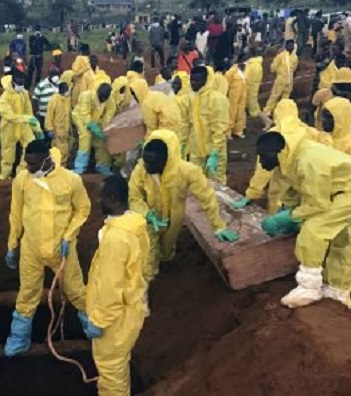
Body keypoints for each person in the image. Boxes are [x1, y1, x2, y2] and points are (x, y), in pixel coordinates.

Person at [256, 128, 351, 309]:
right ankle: (337, 292)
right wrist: (287, 209)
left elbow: (317, 204)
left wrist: (290, 218)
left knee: (315, 228)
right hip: (343, 188)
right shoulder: (289, 160)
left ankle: (309, 287)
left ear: (277, 152)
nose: (261, 162)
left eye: (263, 156)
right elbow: (294, 190)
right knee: (343, 237)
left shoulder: (308, 161)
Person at [4, 140, 97, 357]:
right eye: (27, 163)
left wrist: (69, 236)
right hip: (31, 250)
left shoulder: (70, 180)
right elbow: (15, 214)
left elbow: (83, 209)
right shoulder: (22, 180)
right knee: (27, 293)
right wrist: (12, 245)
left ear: (46, 159)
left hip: (61, 250)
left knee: (75, 290)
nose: (29, 168)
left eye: (33, 164)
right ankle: (19, 338)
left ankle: (92, 327)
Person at [129, 130, 238, 281]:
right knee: (148, 252)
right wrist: (147, 214)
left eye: (152, 163)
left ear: (166, 160)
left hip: (174, 219)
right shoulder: (140, 171)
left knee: (167, 250)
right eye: (145, 160)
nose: (147, 166)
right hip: (148, 219)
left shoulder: (187, 171)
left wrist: (218, 225)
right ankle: (146, 284)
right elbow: (134, 197)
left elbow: (207, 197)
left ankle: (166, 264)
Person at [87, 175, 149, 395]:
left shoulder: (116, 240)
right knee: (119, 364)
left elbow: (110, 286)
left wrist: (98, 319)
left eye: (101, 197)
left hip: (116, 316)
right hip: (129, 307)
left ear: (112, 199)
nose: (97, 201)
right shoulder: (135, 224)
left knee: (110, 368)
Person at [188, 66, 229, 184]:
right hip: (196, 149)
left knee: (216, 184)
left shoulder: (217, 99)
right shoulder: (193, 97)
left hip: (214, 150)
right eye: (191, 80)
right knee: (196, 182)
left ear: (205, 80)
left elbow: (219, 129)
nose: (192, 83)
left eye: (196, 80)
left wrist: (215, 152)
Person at [72, 75, 116, 175]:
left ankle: (102, 166)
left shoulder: (110, 100)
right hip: (80, 117)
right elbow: (84, 113)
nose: (102, 100)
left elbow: (108, 116)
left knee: (100, 141)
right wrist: (91, 125)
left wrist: (103, 129)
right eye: (101, 98)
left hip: (96, 120)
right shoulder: (86, 96)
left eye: (105, 99)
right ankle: (80, 167)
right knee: (86, 137)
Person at [0, 74, 37, 179]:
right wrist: (25, 119)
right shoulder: (4, 98)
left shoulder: (24, 93)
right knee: (8, 152)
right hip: (9, 127)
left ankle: (22, 173)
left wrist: (35, 126)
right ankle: (4, 177)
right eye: (19, 83)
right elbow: (9, 116)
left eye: (22, 83)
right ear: (13, 83)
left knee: (30, 145)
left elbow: (29, 111)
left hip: (23, 126)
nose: (21, 85)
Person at [45, 71, 74, 165]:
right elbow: (49, 115)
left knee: (65, 149)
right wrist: (49, 129)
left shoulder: (67, 100)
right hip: (57, 131)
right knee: (61, 151)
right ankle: (60, 167)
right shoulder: (54, 100)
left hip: (66, 130)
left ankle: (59, 166)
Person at [263, 40, 299, 117]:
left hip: (290, 80)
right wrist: (280, 73)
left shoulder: (295, 57)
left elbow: (294, 68)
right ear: (286, 46)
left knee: (285, 98)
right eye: (289, 45)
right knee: (275, 95)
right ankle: (267, 110)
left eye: (292, 45)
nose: (291, 47)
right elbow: (273, 68)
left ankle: (281, 111)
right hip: (280, 79)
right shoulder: (280, 56)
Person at [225, 57, 248, 139]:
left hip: (243, 96)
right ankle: (228, 132)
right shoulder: (232, 71)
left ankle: (238, 131)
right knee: (231, 113)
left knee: (241, 113)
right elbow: (226, 82)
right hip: (233, 97)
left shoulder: (246, 70)